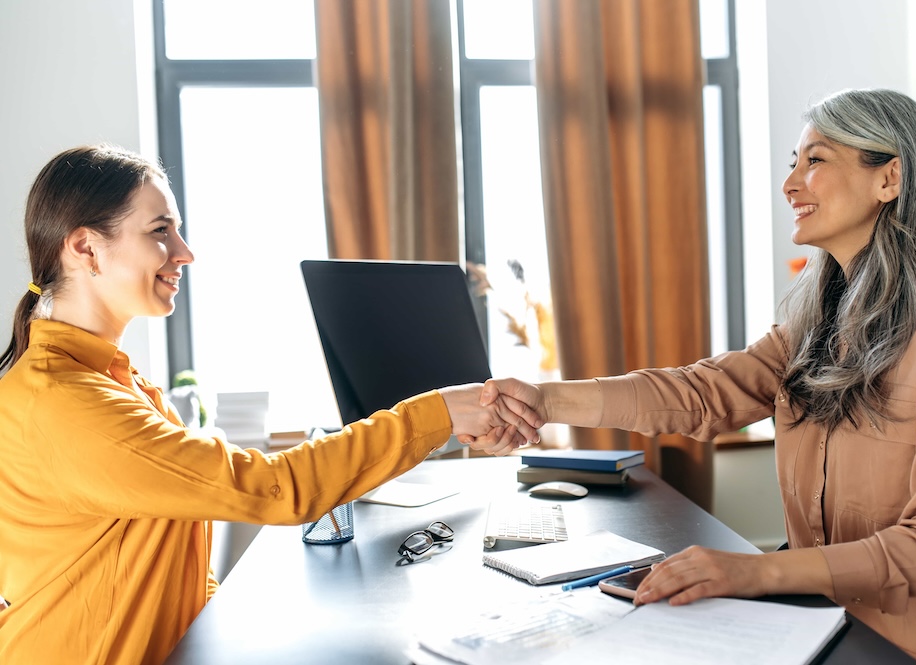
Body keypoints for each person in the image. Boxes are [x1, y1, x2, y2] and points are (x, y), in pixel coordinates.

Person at [483, 88, 916, 665]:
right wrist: (543, 400)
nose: (791, 185)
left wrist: (759, 572)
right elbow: (703, 394)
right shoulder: (818, 316)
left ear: (890, 178)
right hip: (816, 622)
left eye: (816, 161)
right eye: (793, 164)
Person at [0, 144, 541, 665]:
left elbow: (167, 555)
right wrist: (440, 411)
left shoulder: (111, 380)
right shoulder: (66, 403)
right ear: (85, 248)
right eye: (160, 231)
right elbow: (272, 486)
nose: (185, 252)